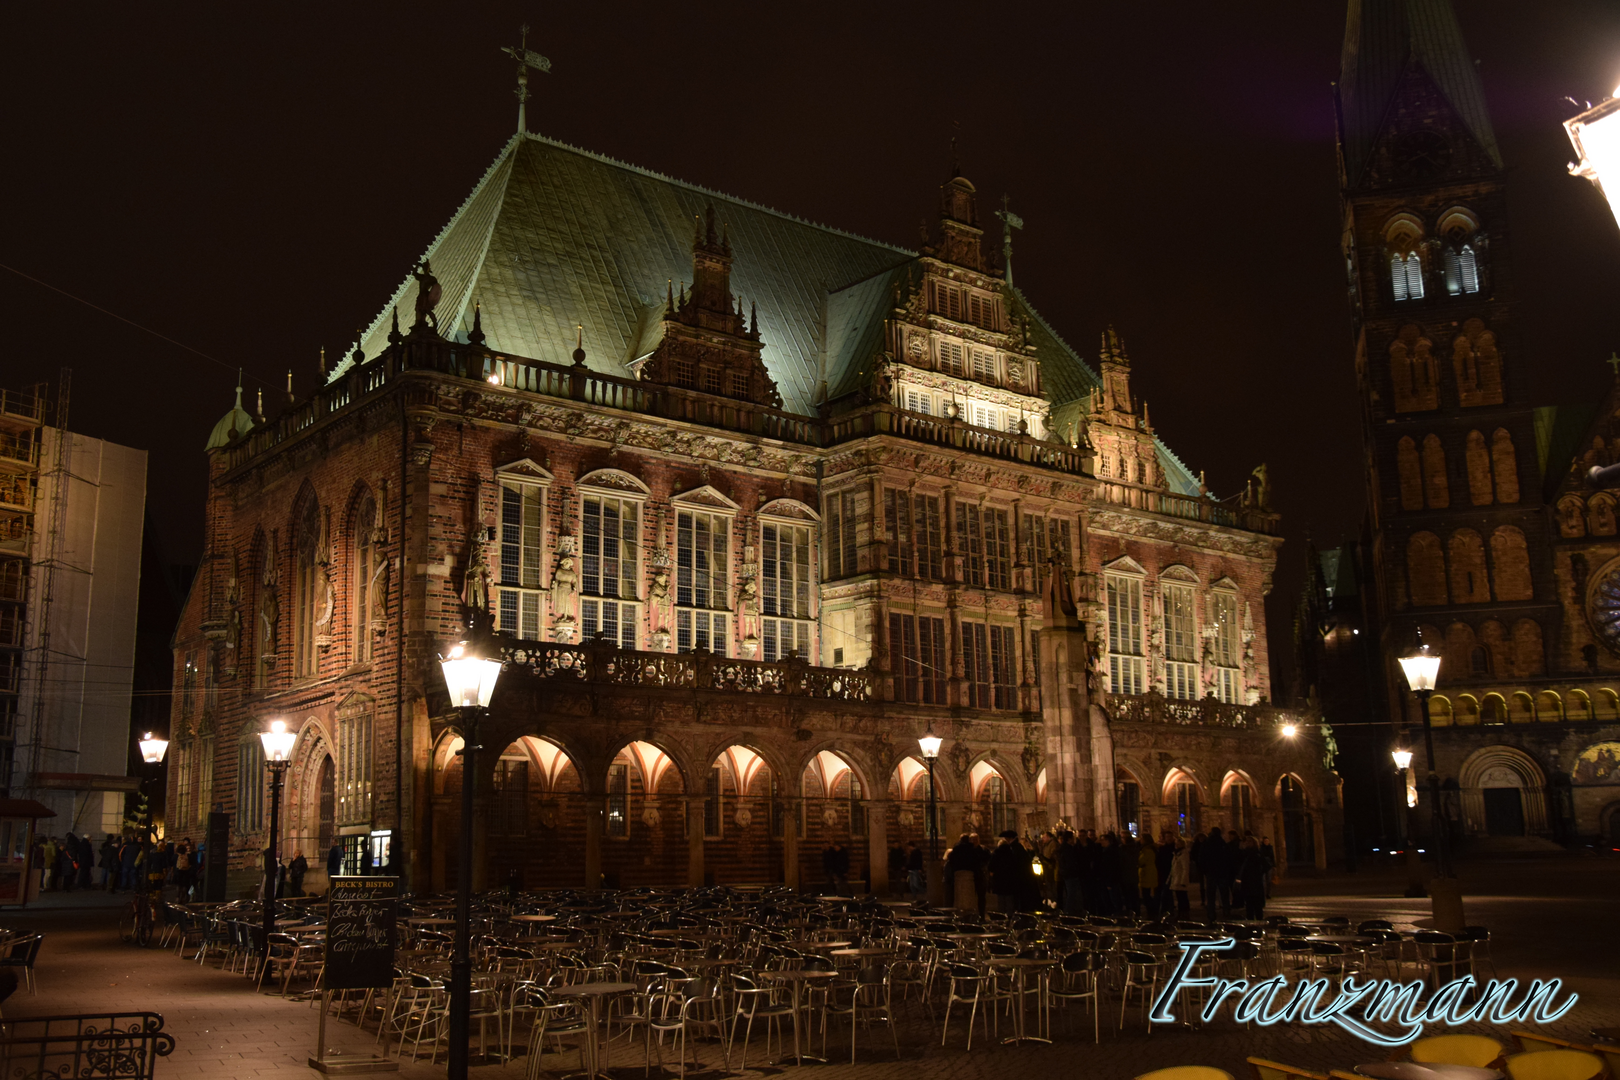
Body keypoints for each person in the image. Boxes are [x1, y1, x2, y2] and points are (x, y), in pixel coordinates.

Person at [987, 830, 1030, 914]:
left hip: (1000, 880)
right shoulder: (1011, 852)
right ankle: (1010, 916)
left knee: (1001, 900)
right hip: (1010, 880)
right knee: (1009, 899)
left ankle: (1002, 916)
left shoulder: (997, 853)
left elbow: (991, 866)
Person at [1056, 830, 1085, 915]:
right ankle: (1068, 911)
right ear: (1069, 839)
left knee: (1071, 893)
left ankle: (1071, 909)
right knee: (1071, 893)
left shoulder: (1065, 848)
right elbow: (1070, 862)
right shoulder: (1067, 849)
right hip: (1070, 874)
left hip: (1067, 873)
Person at [1169, 836, 1191, 918]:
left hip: (1180, 879)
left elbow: (1185, 868)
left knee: (1182, 897)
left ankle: (1184, 913)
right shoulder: (1176, 854)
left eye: (1178, 843)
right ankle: (1182, 912)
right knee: (1180, 896)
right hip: (1176, 878)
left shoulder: (1183, 854)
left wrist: (1183, 881)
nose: (1176, 844)